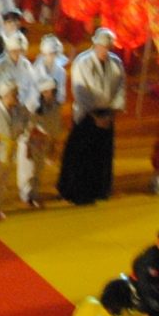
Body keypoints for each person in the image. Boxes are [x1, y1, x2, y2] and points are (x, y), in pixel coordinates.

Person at [55, 27, 124, 206]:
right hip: (86, 115)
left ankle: (99, 190)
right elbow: (80, 92)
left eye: (108, 47)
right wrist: (95, 116)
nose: (105, 50)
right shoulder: (82, 62)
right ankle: (76, 191)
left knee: (102, 155)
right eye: (102, 47)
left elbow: (120, 89)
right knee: (82, 155)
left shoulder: (116, 63)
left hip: (107, 113)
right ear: (95, 45)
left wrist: (111, 113)